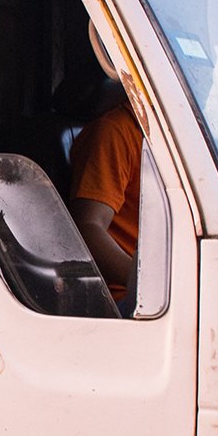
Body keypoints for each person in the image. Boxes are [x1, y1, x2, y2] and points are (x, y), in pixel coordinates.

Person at [67, 98, 143, 304]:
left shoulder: (172, 138)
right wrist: (145, 282)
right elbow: (88, 226)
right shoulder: (116, 132)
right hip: (127, 295)